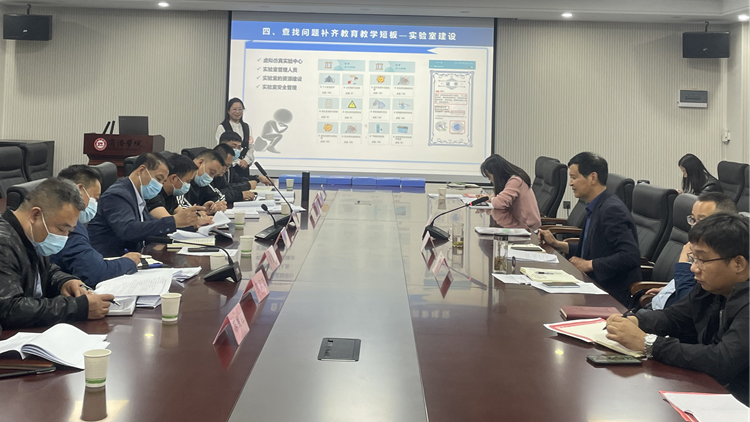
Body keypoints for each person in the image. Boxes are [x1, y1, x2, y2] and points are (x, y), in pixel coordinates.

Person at [606, 213, 750, 406]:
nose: (693, 269)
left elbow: (723, 360)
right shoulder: (712, 285)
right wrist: (638, 321)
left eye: (702, 260)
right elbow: (676, 316)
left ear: (738, 263)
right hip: (712, 390)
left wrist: (649, 344)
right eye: (694, 259)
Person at [0, 178, 114, 328]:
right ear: (35, 215)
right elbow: (9, 310)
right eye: (61, 229)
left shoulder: (31, 236)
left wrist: (65, 282)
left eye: (69, 231)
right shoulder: (4, 243)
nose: (64, 237)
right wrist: (77, 308)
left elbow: (46, 271)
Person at [538, 152, 641, 306]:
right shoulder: (596, 205)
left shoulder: (612, 210)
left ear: (593, 177)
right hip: (592, 285)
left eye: (574, 177)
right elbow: (594, 250)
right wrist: (557, 244)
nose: (570, 183)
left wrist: (588, 264)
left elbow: (630, 256)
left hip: (611, 295)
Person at [88, 152, 204, 257]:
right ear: (142, 170)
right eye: (158, 179)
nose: (160, 185)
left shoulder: (137, 194)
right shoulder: (117, 195)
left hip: (132, 258)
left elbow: (149, 226)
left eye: (163, 181)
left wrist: (190, 224)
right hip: (111, 260)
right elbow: (128, 230)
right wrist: (173, 221)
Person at [51, 165, 141, 287]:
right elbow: (95, 273)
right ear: (79, 190)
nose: (96, 205)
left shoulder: (59, 217)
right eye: (95, 198)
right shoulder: (67, 226)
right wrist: (128, 262)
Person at [646, 192, 737, 310]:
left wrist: (683, 264)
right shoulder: (693, 245)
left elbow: (693, 307)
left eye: (702, 221)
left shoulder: (719, 256)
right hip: (658, 307)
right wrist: (671, 288)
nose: (694, 226)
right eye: (693, 220)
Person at [480, 154, 541, 231]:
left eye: (489, 176)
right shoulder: (511, 180)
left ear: (496, 174)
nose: (489, 179)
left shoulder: (516, 181)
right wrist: (489, 198)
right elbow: (499, 196)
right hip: (520, 224)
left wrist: (492, 199)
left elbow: (499, 203)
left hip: (528, 228)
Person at [215, 97, 253, 177]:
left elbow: (251, 147)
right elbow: (221, 148)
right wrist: (237, 162)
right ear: (228, 111)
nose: (237, 112)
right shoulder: (222, 127)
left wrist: (246, 160)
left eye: (240, 109)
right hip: (229, 166)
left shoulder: (247, 127)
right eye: (234, 109)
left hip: (244, 166)